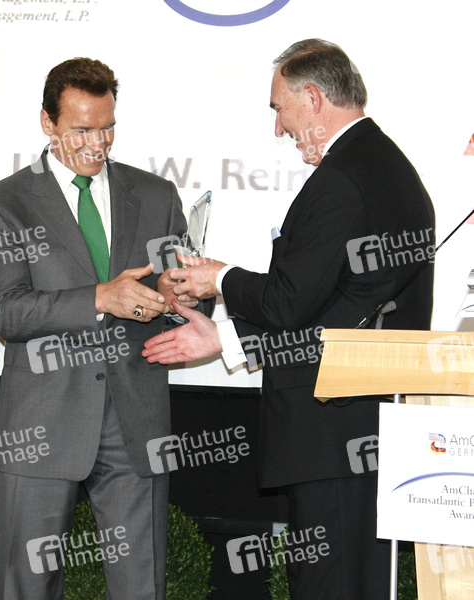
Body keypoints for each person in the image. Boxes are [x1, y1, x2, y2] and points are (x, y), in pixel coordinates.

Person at [143, 39, 434, 599]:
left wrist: (220, 278)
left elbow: (289, 301)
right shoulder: (384, 167)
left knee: (328, 585)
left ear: (314, 97)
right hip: (357, 430)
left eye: (279, 109)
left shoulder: (343, 179)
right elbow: (337, 307)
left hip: (332, 428)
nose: (279, 128)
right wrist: (226, 336)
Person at [0, 57, 206, 600]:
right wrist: (103, 297)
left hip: (135, 421)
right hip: (40, 424)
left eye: (107, 127)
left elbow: (180, 301)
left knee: (141, 587)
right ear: (47, 123)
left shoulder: (156, 195)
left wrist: (183, 298)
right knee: (28, 587)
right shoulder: (2, 204)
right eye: (81, 129)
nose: (97, 143)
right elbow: (7, 311)